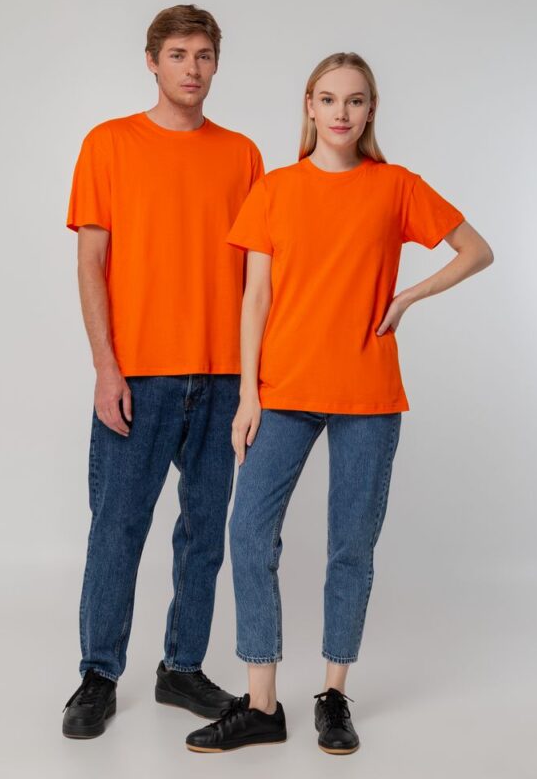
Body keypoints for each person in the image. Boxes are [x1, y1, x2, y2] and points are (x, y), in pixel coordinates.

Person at [185, 51, 494, 754]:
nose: (341, 112)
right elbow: (255, 297)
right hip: (284, 391)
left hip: (367, 393)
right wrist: (247, 394)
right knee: (248, 533)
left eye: (355, 100)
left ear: (370, 110)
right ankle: (261, 704)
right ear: (309, 106)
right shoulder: (275, 189)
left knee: (351, 547)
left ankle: (332, 694)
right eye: (328, 99)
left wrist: (408, 296)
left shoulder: (395, 186)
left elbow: (475, 251)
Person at [61, 4, 264, 739]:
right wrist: (105, 367)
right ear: (152, 61)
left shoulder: (242, 155)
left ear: (216, 64)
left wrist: (254, 381)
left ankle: (181, 667)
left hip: (221, 375)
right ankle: (98, 675)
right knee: (117, 529)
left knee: (204, 532)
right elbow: (91, 262)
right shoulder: (109, 143)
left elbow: (260, 278)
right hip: (139, 375)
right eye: (178, 54)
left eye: (204, 55)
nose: (192, 68)